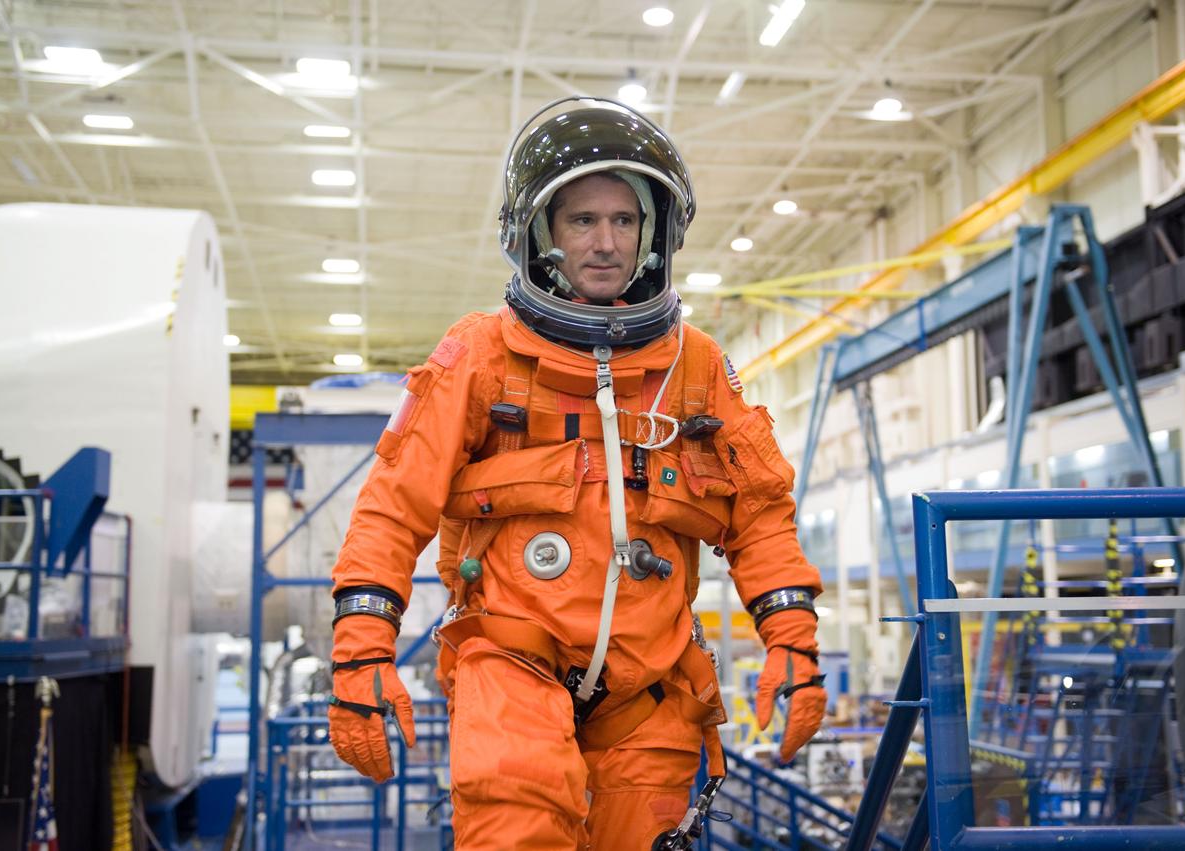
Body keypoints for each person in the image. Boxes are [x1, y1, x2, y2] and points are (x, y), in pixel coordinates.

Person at [328, 96, 827, 850]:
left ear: (653, 233)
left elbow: (759, 513)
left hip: (648, 693)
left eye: (624, 220)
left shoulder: (692, 370)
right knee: (513, 828)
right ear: (538, 233)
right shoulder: (482, 358)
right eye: (581, 220)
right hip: (510, 665)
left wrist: (790, 635)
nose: (605, 242)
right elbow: (394, 507)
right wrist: (362, 644)